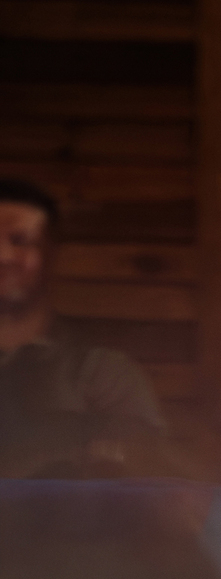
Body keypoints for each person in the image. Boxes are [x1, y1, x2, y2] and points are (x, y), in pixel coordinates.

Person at [0, 178, 170, 479]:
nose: (3, 256)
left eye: (20, 240)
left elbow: (147, 469)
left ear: (51, 252)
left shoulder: (102, 370)